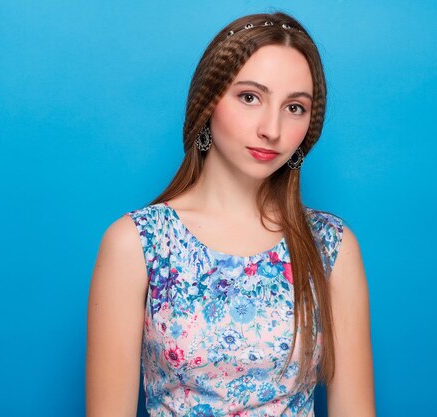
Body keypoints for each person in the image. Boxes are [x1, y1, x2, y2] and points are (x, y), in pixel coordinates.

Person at [86, 11, 375, 417]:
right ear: (209, 102)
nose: (271, 129)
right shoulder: (138, 243)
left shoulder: (331, 245)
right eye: (250, 97)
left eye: (294, 107)